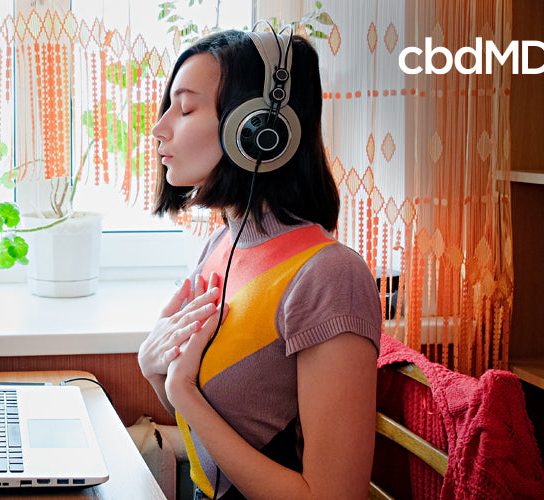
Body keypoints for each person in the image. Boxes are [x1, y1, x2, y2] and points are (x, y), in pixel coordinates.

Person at [138, 27, 382, 500]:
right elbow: (222, 428)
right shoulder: (220, 247)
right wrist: (156, 372)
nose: (159, 127)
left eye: (186, 108)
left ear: (257, 133)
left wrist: (182, 391)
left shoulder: (329, 277)